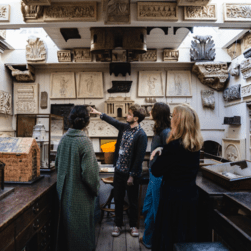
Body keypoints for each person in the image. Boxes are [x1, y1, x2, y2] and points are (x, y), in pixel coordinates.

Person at [151, 103, 204, 251]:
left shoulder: (174, 146)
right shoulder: (195, 145)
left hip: (172, 200)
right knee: (185, 238)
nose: (171, 119)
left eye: (173, 116)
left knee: (169, 238)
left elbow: (156, 170)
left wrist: (157, 153)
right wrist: (164, 149)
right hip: (190, 197)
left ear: (179, 121)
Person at [90, 104, 147, 238]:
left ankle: (133, 226)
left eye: (129, 114)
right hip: (119, 172)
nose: (126, 115)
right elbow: (113, 121)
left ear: (136, 118)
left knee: (132, 201)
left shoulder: (141, 135)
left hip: (132, 174)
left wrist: (132, 176)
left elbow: (139, 158)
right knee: (118, 199)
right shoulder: (125, 127)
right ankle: (118, 224)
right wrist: (99, 113)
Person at [55, 105, 100, 251]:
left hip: (63, 194)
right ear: (87, 122)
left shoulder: (64, 139)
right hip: (80, 197)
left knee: (67, 233)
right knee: (81, 235)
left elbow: (57, 164)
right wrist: (96, 189)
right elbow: (90, 174)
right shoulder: (84, 141)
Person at [139, 102, 171, 249]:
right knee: (149, 206)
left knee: (155, 208)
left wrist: (160, 149)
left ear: (158, 113)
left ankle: (154, 240)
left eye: (152, 110)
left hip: (159, 176)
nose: (149, 112)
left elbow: (170, 153)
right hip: (154, 174)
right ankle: (148, 238)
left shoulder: (165, 132)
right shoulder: (160, 129)